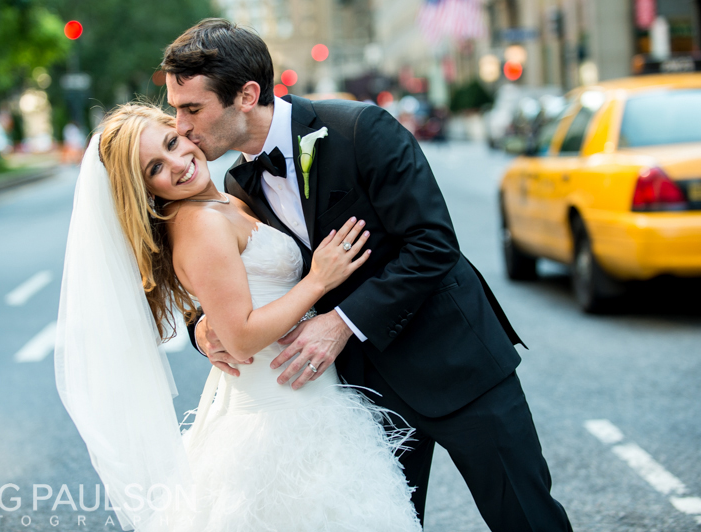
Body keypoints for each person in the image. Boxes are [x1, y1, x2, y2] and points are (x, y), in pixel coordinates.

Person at [162, 18, 573, 532]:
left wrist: (341, 321)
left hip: (456, 362)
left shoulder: (361, 129)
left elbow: (433, 244)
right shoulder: (239, 183)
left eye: (191, 109)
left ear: (246, 95)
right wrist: (204, 328)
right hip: (360, 395)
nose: (180, 126)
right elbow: (243, 275)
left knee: (527, 519)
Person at [54, 103, 422, 532]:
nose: (178, 163)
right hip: (280, 412)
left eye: (172, 142)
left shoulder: (227, 197)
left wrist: (207, 324)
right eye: (156, 167)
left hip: (306, 397)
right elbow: (243, 337)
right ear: (145, 189)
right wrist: (318, 281)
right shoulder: (200, 224)